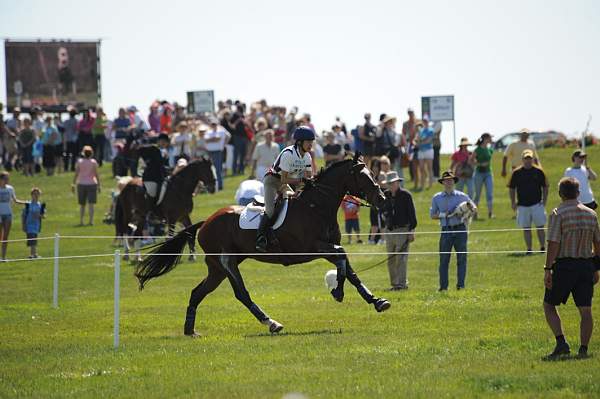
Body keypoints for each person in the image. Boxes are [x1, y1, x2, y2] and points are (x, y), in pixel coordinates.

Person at [542, 177, 600, 360]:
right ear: (578, 193)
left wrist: (548, 268)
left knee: (549, 304)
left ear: (560, 194)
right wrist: (596, 268)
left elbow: (553, 243)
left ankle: (561, 342)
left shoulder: (558, 213)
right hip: (586, 266)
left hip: (565, 266)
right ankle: (583, 350)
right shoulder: (591, 214)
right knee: (585, 310)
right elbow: (598, 244)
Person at [256, 126, 314, 252]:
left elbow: (309, 178)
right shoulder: (288, 154)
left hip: (286, 182)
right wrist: (302, 181)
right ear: (299, 142)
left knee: (296, 203)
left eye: (312, 141)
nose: (311, 144)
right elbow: (283, 180)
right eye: (308, 141)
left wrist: (303, 188)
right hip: (272, 180)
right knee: (270, 210)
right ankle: (260, 238)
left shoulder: (307, 157)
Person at [430, 171, 476, 291]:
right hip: (446, 230)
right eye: (446, 180)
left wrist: (467, 212)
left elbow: (473, 208)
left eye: (451, 180)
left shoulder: (462, 196)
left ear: (454, 181)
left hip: (460, 229)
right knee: (444, 260)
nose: (449, 182)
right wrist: (444, 215)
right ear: (443, 182)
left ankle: (461, 286)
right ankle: (443, 287)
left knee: (462, 258)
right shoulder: (437, 198)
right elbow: (432, 215)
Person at [508, 149, 549, 254]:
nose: (528, 160)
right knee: (526, 228)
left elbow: (545, 186)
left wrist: (544, 200)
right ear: (522, 159)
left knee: (540, 227)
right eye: (526, 158)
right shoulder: (516, 173)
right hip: (522, 205)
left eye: (530, 158)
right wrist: (513, 202)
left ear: (532, 159)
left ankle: (542, 247)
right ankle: (529, 249)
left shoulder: (539, 171)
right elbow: (512, 188)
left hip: (537, 204)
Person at [382, 171, 417, 290]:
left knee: (401, 259)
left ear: (398, 182)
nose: (392, 185)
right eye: (390, 183)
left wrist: (411, 231)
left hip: (403, 230)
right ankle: (395, 284)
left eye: (394, 182)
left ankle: (402, 284)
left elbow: (412, 214)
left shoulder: (406, 195)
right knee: (390, 259)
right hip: (389, 231)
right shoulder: (385, 195)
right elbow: (382, 212)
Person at [137, 134, 170, 212]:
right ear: (158, 141)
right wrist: (147, 161)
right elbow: (139, 150)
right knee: (152, 193)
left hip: (161, 177)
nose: (163, 143)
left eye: (165, 142)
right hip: (151, 177)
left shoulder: (166, 152)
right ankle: (150, 212)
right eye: (161, 141)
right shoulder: (152, 148)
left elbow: (164, 164)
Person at [72, 146, 100, 226]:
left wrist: (73, 183)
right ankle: (91, 221)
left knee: (82, 204)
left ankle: (81, 221)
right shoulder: (93, 162)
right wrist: (99, 184)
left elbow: (76, 173)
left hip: (81, 183)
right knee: (91, 204)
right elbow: (96, 174)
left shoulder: (80, 162)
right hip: (92, 183)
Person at [0, 172, 25, 260]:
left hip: (8, 214)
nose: (7, 180)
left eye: (8, 178)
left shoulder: (10, 189)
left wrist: (26, 203)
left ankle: (3, 257)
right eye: (6, 178)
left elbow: (15, 200)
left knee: (5, 237)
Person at [473, 133, 495, 219]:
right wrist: (480, 164)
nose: (491, 139)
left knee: (489, 194)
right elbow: (471, 160)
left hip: (488, 173)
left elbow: (492, 148)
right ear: (485, 138)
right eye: (490, 138)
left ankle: (490, 213)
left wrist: (492, 143)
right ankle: (475, 213)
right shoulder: (478, 149)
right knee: (477, 194)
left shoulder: (489, 149)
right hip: (479, 173)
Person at [20, 187, 45, 259]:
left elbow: (43, 216)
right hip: (29, 225)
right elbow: (23, 215)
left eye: (38, 194)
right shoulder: (28, 205)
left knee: (35, 239)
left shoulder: (40, 205)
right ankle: (33, 254)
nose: (36, 195)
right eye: (35, 194)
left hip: (36, 225)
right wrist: (23, 225)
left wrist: (40, 215)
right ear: (31, 195)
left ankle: (34, 254)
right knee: (31, 240)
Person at [205, 118, 227, 191]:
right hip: (210, 152)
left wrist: (211, 139)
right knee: (209, 169)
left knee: (218, 169)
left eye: (214, 124)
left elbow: (218, 139)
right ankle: (212, 186)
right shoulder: (208, 131)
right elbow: (206, 140)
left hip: (217, 152)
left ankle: (220, 186)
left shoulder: (221, 131)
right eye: (212, 124)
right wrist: (214, 139)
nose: (213, 125)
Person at [416, 117, 434, 190]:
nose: (425, 122)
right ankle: (422, 185)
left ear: (428, 122)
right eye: (424, 121)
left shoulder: (431, 130)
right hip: (421, 151)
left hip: (428, 150)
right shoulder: (420, 130)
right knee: (421, 168)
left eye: (426, 121)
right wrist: (419, 141)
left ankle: (430, 184)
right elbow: (417, 139)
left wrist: (420, 142)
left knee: (429, 168)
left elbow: (428, 140)